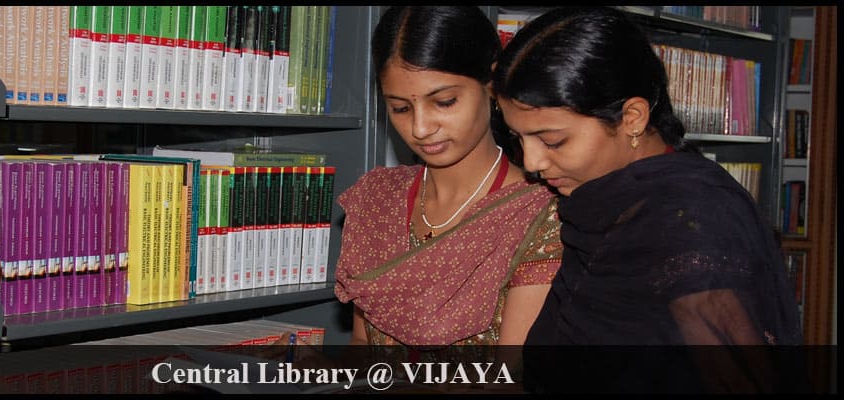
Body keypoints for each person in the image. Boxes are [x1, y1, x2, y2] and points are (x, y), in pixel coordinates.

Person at [492, 6, 805, 393]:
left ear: (633, 117)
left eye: (553, 140)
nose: (532, 162)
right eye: (518, 139)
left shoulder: (688, 222)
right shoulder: (604, 203)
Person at [333, 6, 562, 348]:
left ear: (491, 84)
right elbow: (361, 350)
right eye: (400, 108)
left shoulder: (539, 216)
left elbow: (510, 378)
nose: (421, 128)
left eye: (444, 102)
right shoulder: (376, 201)